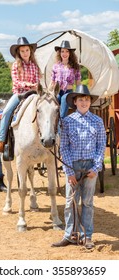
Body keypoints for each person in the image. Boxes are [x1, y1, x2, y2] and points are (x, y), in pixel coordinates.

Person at [51, 84, 106, 249]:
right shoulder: (67, 122)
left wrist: (95, 168)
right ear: (74, 102)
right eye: (80, 99)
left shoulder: (97, 121)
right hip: (73, 166)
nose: (84, 102)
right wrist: (69, 172)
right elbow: (64, 148)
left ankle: (87, 236)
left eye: (87, 99)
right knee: (70, 202)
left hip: (90, 166)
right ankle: (70, 235)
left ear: (90, 102)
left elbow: (101, 146)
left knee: (87, 202)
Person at [0, 36, 41, 154]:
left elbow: (37, 81)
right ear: (19, 52)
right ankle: (1, 142)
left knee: (48, 108)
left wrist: (35, 85)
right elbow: (16, 82)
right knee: (7, 112)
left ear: (30, 51)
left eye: (27, 50)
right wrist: (29, 84)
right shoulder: (15, 65)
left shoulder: (34, 66)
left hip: (33, 94)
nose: (25, 53)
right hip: (19, 94)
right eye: (22, 51)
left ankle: (54, 137)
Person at [50, 40, 81, 119]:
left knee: (64, 99)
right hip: (57, 91)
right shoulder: (56, 66)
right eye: (62, 51)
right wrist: (48, 92)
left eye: (67, 51)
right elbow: (52, 82)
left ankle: (61, 121)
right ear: (60, 53)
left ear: (70, 53)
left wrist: (79, 94)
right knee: (54, 103)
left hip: (68, 92)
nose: (64, 54)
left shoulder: (75, 66)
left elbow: (78, 82)